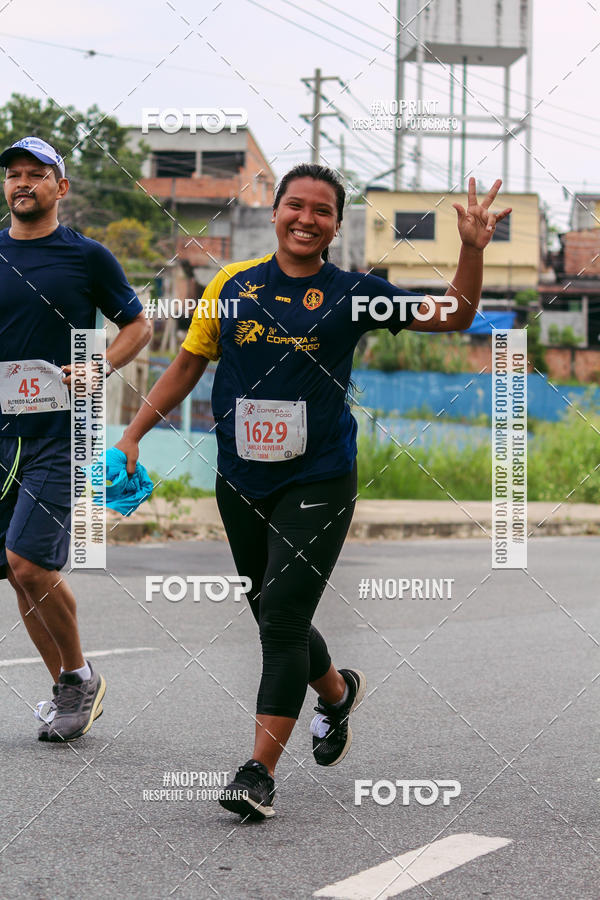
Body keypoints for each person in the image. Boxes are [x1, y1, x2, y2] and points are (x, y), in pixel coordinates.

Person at [116, 163, 510, 819]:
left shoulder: (356, 294)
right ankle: (334, 692)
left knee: (282, 620)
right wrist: (131, 435)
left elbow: (455, 314)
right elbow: (187, 363)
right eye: (294, 206)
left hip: (320, 476)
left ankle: (257, 772)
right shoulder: (231, 286)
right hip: (240, 476)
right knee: (273, 610)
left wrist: (470, 249)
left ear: (335, 225)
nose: (306, 219)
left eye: (321, 211)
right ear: (274, 213)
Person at [0, 137, 152, 742]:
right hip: (1, 436)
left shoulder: (86, 257)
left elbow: (138, 325)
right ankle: (73, 680)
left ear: (61, 188)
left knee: (27, 563)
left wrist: (100, 365)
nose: (22, 184)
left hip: (63, 432)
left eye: (37, 175)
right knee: (17, 572)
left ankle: (74, 680)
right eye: (14, 175)